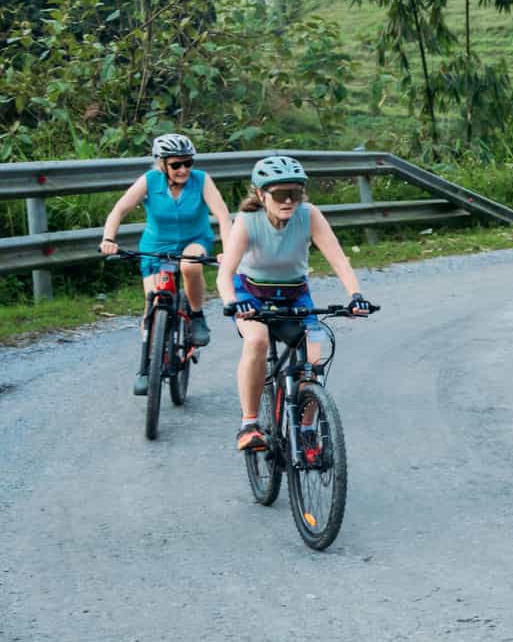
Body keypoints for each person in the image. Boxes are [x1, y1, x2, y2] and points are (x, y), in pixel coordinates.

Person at [215, 155, 372, 453]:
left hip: (295, 295)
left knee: (313, 361)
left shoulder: (309, 215)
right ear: (261, 195)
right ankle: (249, 424)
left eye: (295, 193)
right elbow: (225, 273)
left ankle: (307, 429)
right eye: (279, 194)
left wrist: (355, 295)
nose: (288, 201)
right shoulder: (248, 222)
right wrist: (232, 302)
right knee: (257, 342)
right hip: (251, 295)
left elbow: (338, 258)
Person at [99, 133, 233, 393]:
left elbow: (223, 215)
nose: (183, 169)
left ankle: (196, 316)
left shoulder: (202, 180)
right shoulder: (149, 181)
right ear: (162, 164)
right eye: (176, 164)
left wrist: (228, 251)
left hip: (194, 239)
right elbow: (119, 210)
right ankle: (147, 367)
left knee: (190, 265)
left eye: (188, 163)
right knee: (153, 301)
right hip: (156, 246)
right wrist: (108, 238)